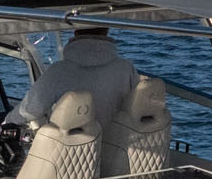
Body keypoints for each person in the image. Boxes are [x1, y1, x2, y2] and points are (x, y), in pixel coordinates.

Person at [7, 29, 135, 132]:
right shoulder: (126, 69)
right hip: (117, 152)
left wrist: (6, 123)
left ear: (75, 31)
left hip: (70, 156)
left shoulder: (58, 71)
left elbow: (30, 110)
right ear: (106, 30)